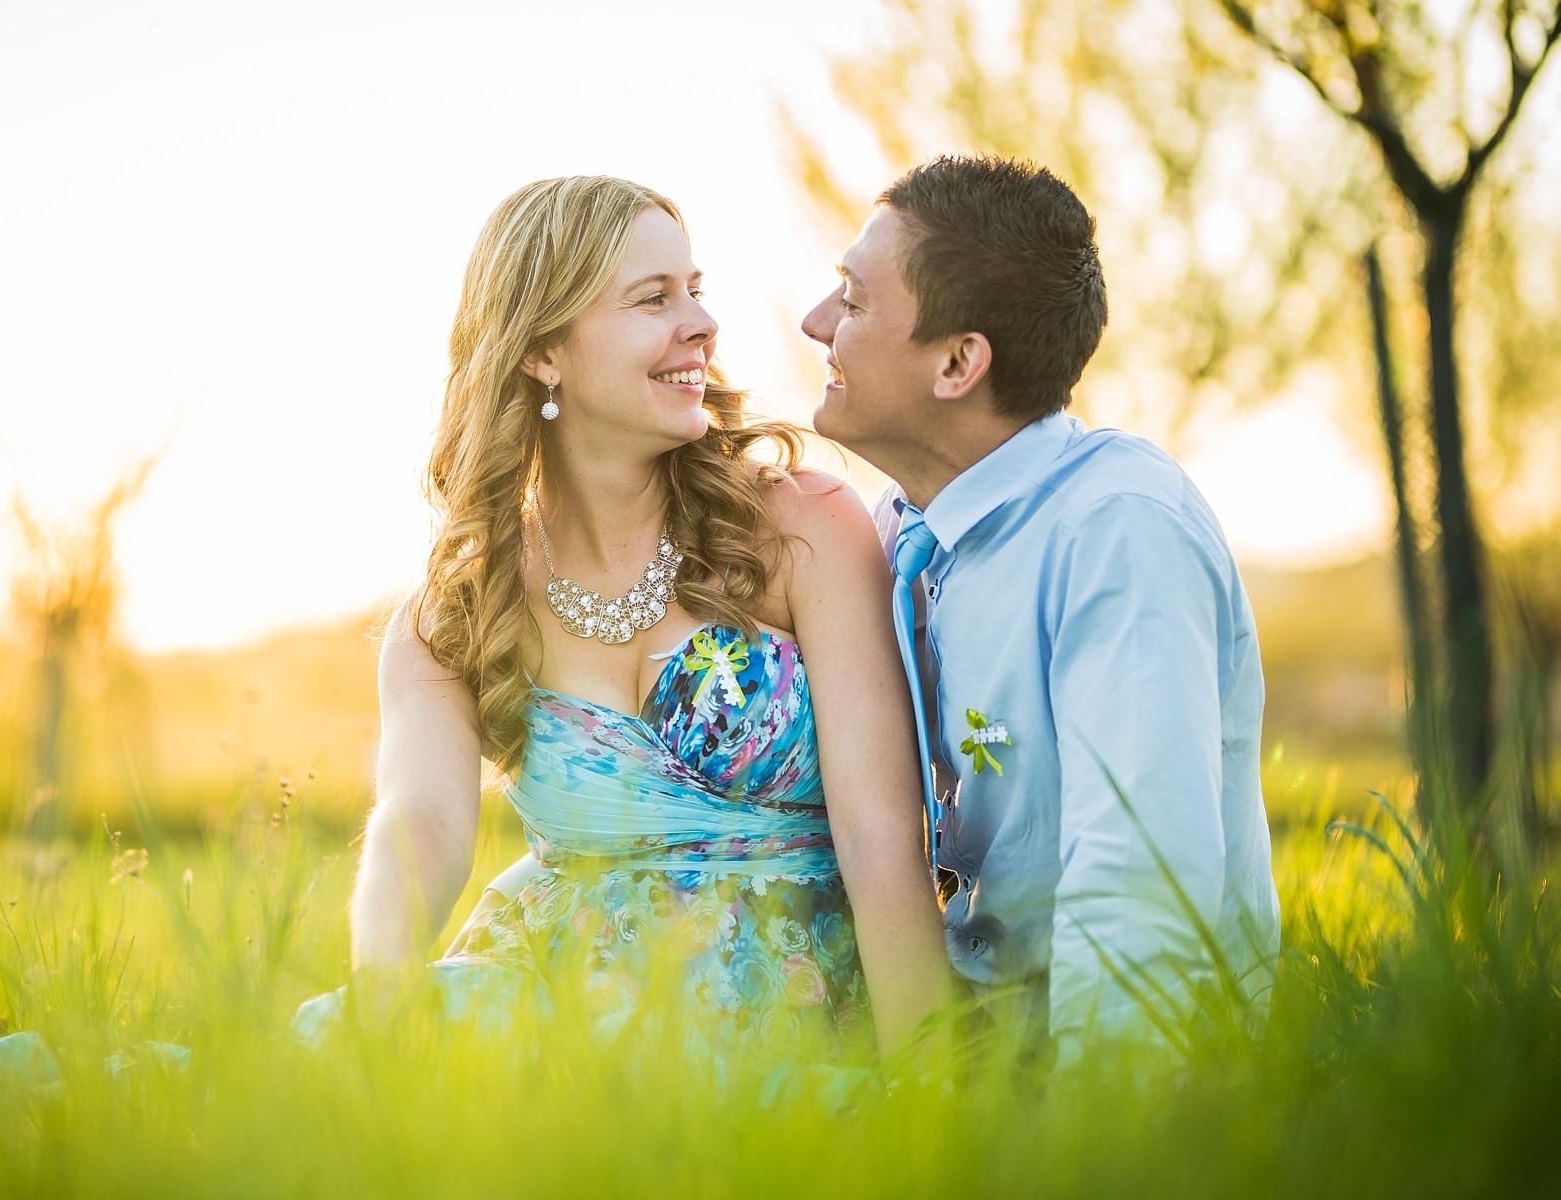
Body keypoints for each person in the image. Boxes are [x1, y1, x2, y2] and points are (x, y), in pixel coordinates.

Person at [303, 175, 952, 1056]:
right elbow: (423, 823)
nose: (700, 324)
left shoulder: (803, 527)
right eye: (653, 299)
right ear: (543, 352)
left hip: (790, 1010)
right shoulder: (457, 611)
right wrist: (381, 995)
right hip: (554, 1005)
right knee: (317, 1061)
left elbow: (882, 838)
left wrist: (926, 1075)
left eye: (695, 291)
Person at [801, 154, 1280, 1064]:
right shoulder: (896, 530)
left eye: (854, 302)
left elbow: (1138, 873)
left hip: (1118, 1080)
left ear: (957, 362)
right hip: (968, 1048)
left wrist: (1096, 1142)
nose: (816, 323)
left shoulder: (1117, 530)